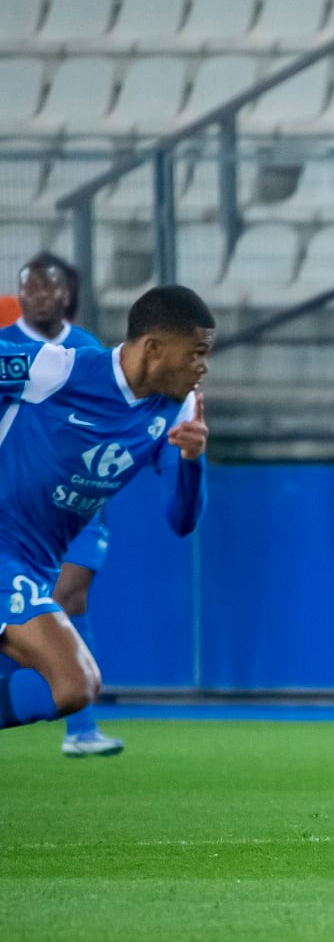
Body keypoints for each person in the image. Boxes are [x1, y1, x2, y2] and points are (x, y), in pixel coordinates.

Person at [0, 286, 213, 736]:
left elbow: (181, 519)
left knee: (71, 686)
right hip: (5, 554)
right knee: (75, 682)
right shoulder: (56, 369)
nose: (203, 366)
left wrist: (193, 462)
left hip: (37, 567)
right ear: (153, 347)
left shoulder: (180, 410)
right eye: (195, 353)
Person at [0, 253, 120, 755]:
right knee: (46, 607)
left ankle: (79, 725)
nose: (39, 296)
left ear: (66, 295)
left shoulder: (86, 348)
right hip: (19, 507)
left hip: (78, 504)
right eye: (29, 287)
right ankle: (73, 716)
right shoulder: (7, 348)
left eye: (49, 288)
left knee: (72, 595)